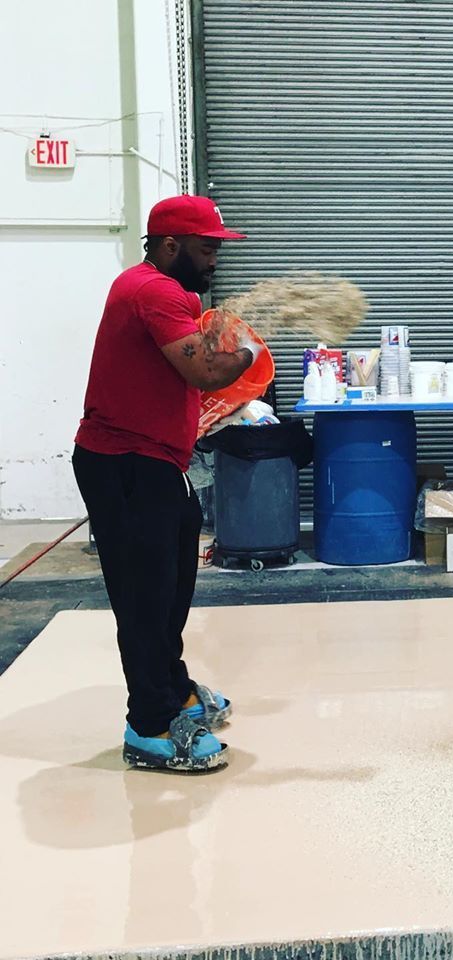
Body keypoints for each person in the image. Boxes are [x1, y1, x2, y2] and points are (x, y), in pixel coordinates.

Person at [73, 195, 261, 773]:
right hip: (125, 464)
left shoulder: (163, 292)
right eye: (208, 250)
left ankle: (174, 688)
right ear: (171, 245)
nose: (216, 263)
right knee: (144, 599)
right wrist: (251, 351)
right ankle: (149, 726)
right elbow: (205, 369)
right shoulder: (151, 291)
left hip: (156, 462)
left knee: (172, 583)